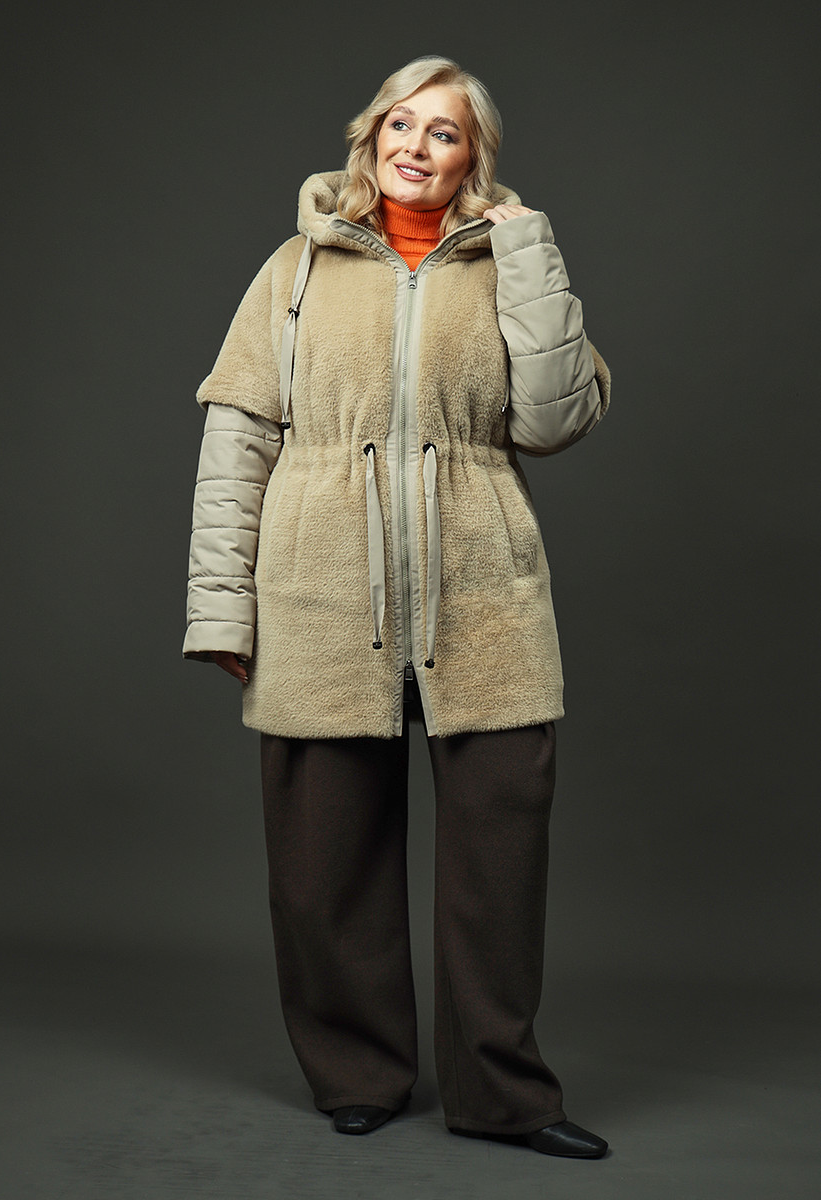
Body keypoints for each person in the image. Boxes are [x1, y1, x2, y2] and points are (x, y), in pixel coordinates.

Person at [184, 55, 611, 1158]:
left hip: (485, 594)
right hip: (321, 589)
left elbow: (556, 420)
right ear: (371, 136)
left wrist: (529, 251)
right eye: (400, 125)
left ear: (476, 158)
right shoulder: (294, 269)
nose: (416, 146)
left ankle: (504, 1095)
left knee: (499, 872)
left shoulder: (509, 263)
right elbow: (237, 439)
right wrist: (221, 610)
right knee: (324, 867)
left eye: (444, 132)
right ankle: (355, 1071)